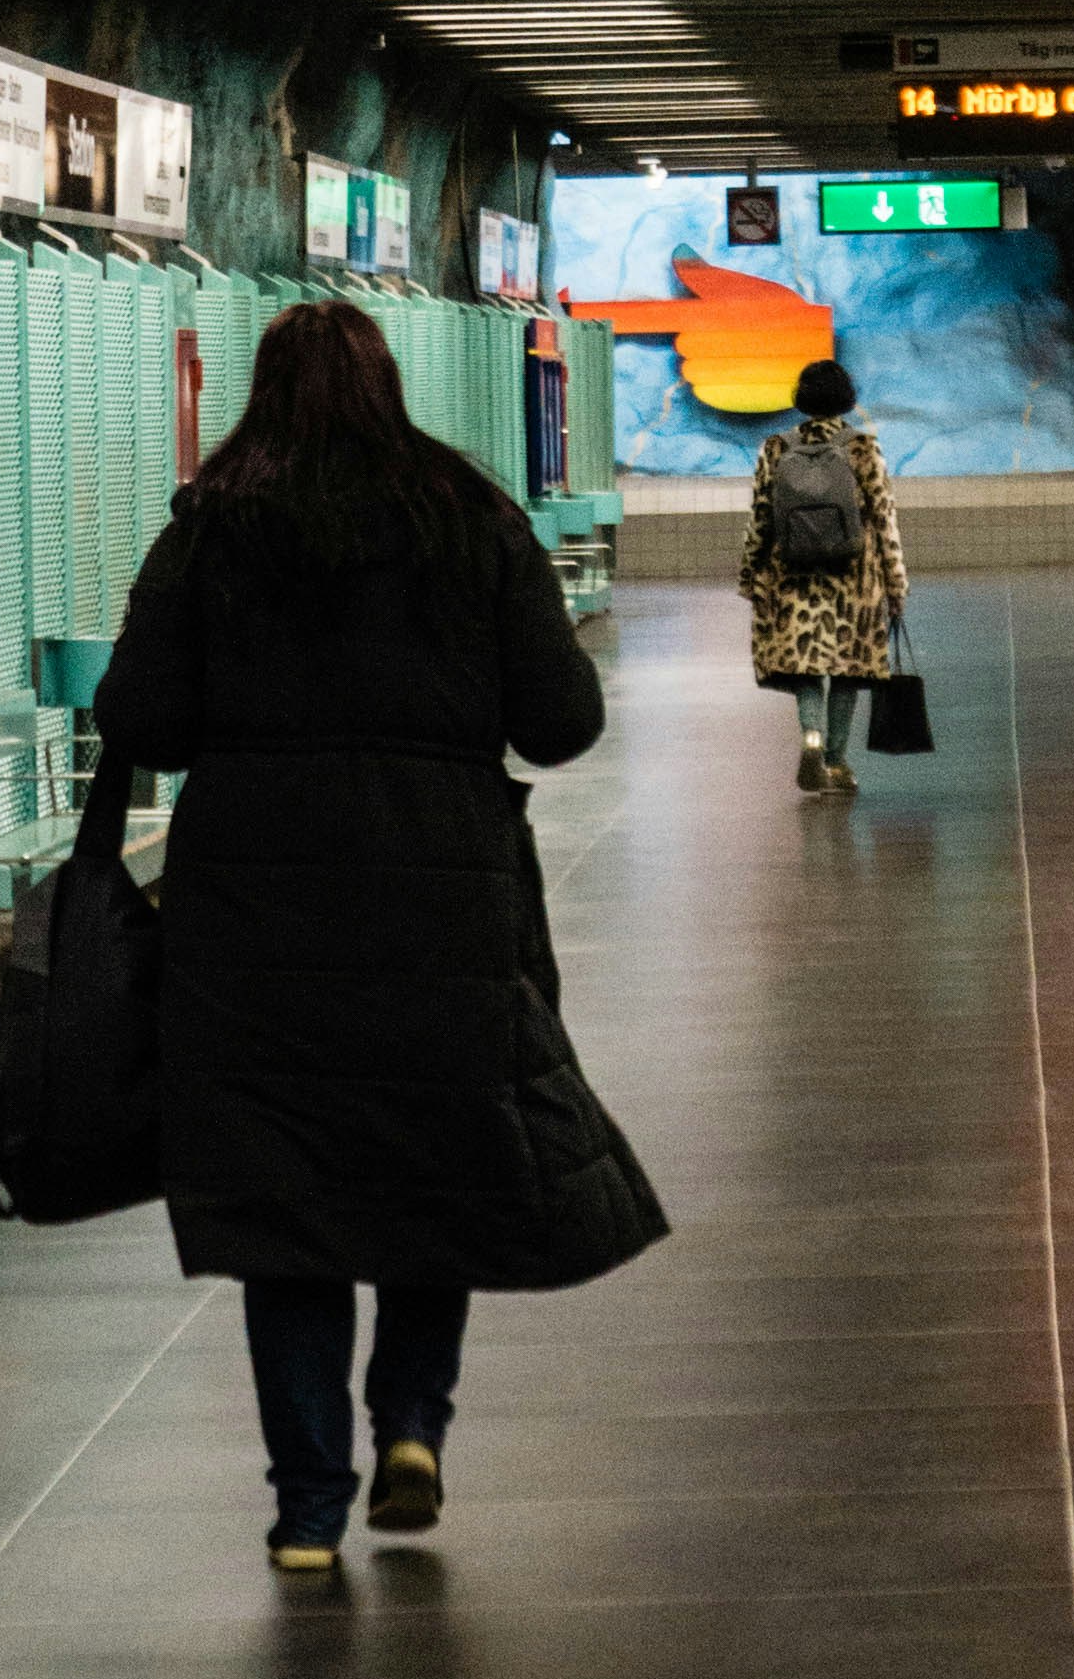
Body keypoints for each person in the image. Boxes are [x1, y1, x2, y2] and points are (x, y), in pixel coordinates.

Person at [92, 299, 664, 1576]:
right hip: (441, 891)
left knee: (284, 1197)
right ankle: (411, 1426)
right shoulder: (468, 519)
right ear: (392, 383)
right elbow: (561, 723)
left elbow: (140, 717)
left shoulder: (214, 525)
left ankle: (306, 1509)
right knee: (430, 1159)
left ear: (261, 390)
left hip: (254, 907)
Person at [739, 352, 908, 793]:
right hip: (855, 579)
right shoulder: (862, 448)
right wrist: (896, 584)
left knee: (806, 667)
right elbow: (884, 519)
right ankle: (835, 761)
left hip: (792, 577)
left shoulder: (776, 448)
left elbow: (760, 518)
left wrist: (749, 574)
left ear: (801, 399)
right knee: (847, 672)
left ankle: (811, 737)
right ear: (846, 400)